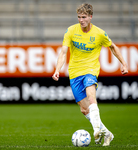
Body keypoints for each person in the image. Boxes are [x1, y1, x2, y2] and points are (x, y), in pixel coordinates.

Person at [52, 3, 128, 146]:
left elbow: (113, 47)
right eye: (79, 17)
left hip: (90, 70)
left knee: (92, 98)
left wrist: (123, 64)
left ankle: (96, 131)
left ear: (91, 17)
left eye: (84, 17)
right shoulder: (71, 31)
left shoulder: (99, 33)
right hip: (74, 73)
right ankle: (107, 134)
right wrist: (57, 69)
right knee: (84, 109)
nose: (81, 20)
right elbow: (63, 53)